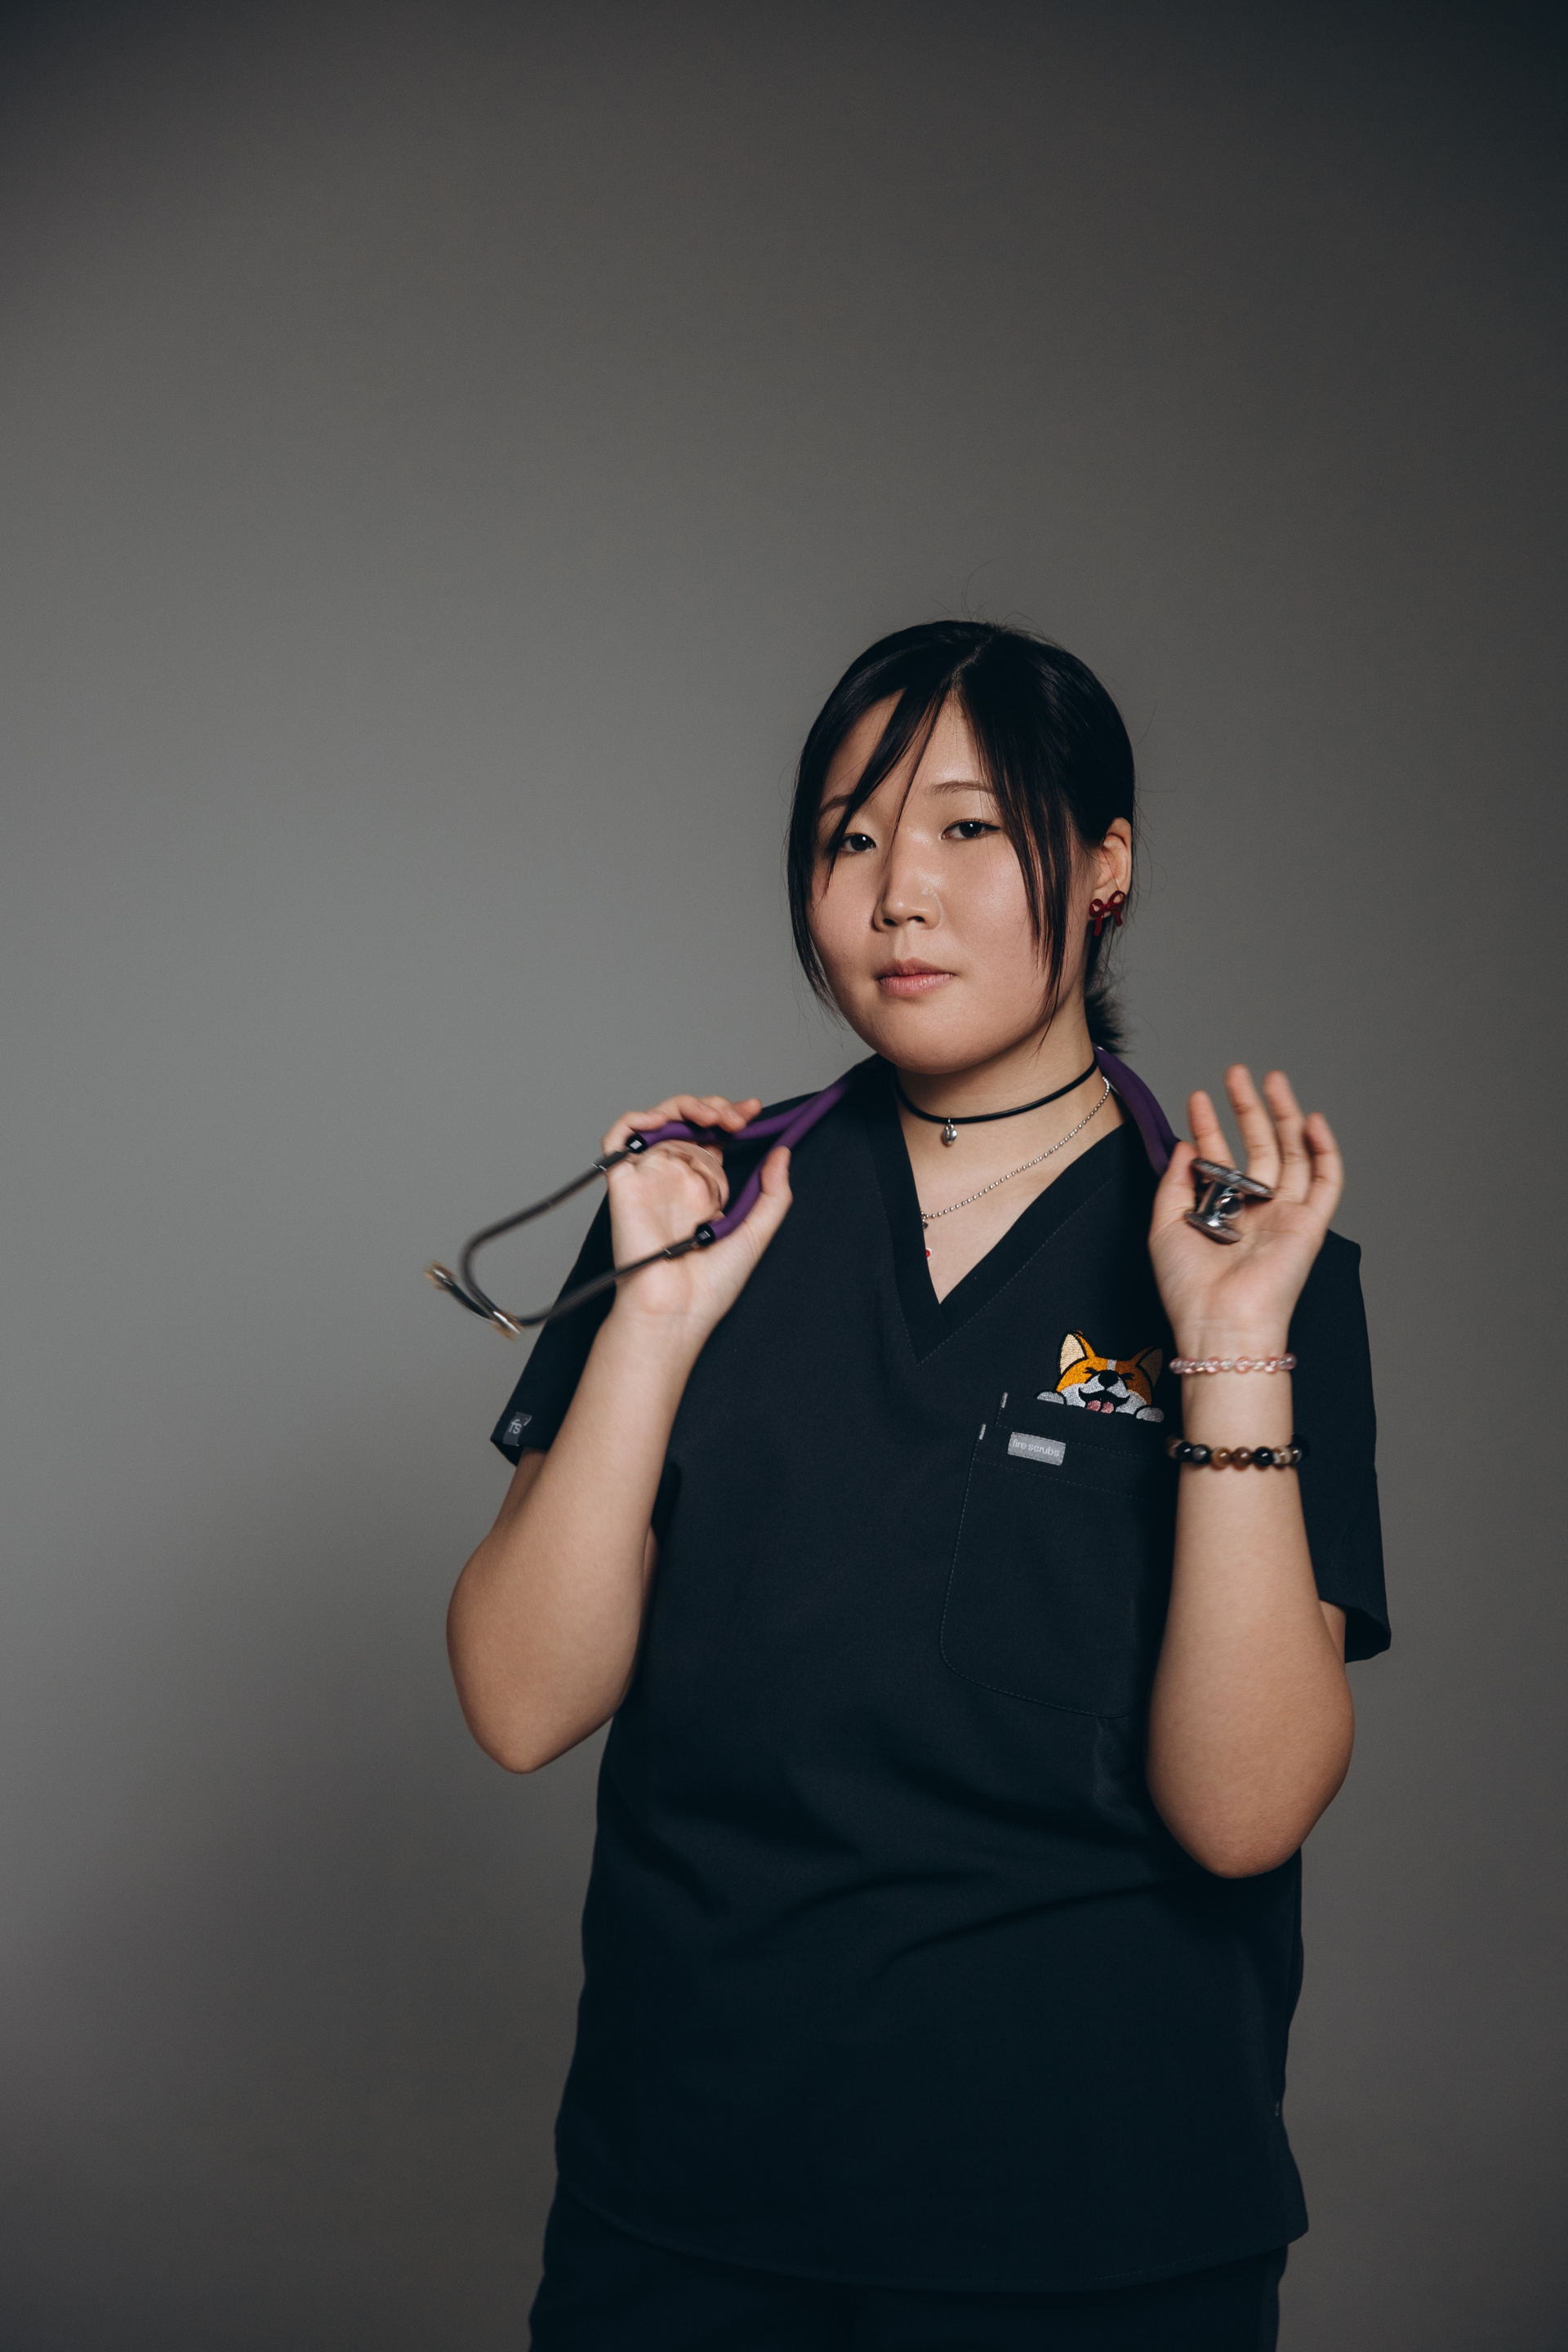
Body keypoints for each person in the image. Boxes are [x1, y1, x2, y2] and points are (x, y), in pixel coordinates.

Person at [446, 621, 1388, 2350]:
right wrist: (653, 1324)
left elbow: (1244, 1812)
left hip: (1098, 2224)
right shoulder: (704, 1211)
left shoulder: (1253, 1268)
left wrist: (1232, 1347)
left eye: (969, 826)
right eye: (851, 836)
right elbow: (519, 1703)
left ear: (1105, 866)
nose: (898, 895)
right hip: (692, 2207)